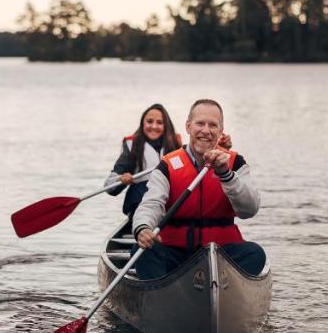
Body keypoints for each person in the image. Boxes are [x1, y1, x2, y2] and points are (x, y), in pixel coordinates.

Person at [131, 98, 265, 280]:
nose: (206, 131)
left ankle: (223, 286)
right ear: (188, 127)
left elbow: (250, 210)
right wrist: (143, 227)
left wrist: (226, 175)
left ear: (221, 131)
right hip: (176, 252)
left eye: (213, 125)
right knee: (142, 250)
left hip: (221, 253)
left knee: (255, 253)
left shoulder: (235, 162)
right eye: (200, 124)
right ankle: (161, 298)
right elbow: (151, 203)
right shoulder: (168, 165)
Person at [104, 103, 183, 219]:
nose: (154, 126)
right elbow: (109, 186)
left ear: (166, 126)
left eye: (159, 123)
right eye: (149, 121)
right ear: (143, 123)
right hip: (140, 207)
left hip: (168, 206)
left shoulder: (176, 146)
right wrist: (121, 179)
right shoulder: (132, 146)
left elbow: (183, 175)